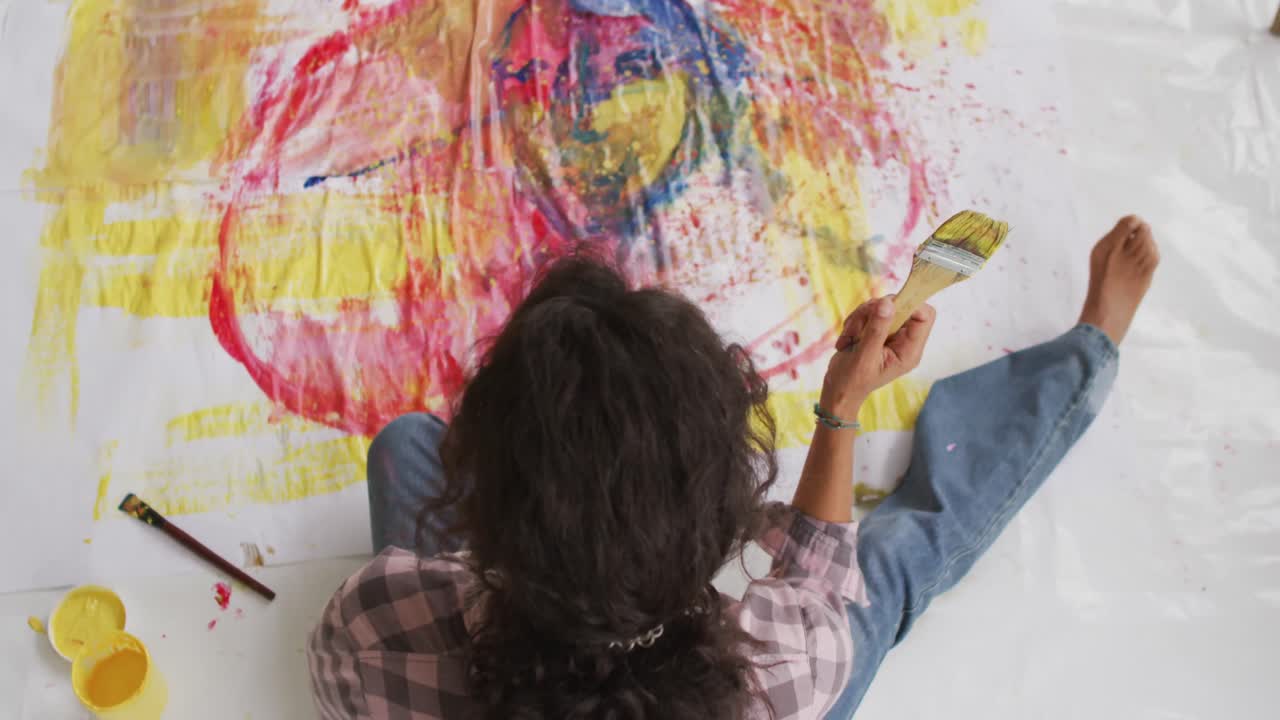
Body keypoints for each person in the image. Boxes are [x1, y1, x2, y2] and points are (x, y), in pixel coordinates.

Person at [307, 215, 1158, 719]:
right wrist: (840, 411)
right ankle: (1087, 353)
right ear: (725, 518)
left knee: (401, 445)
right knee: (894, 562)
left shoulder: (373, 624)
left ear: (487, 520)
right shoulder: (785, 659)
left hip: (567, 612)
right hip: (703, 607)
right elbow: (809, 580)